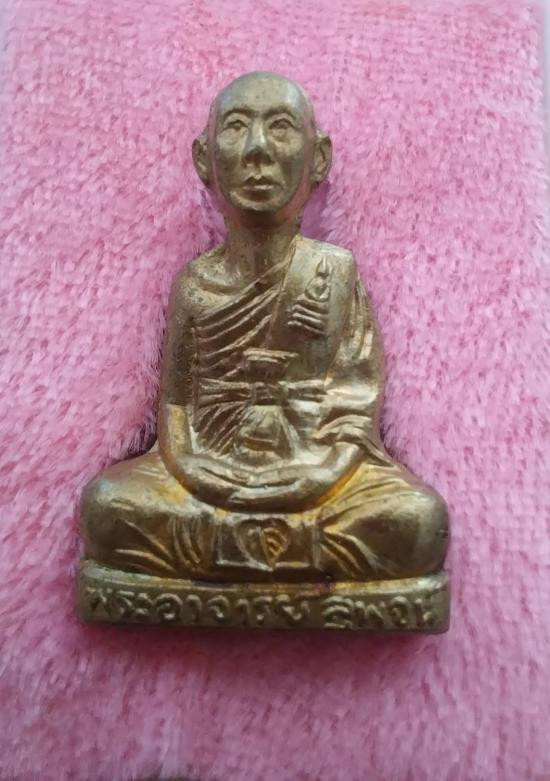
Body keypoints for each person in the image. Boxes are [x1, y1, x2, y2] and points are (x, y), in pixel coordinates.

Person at [82, 72, 449, 584]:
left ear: (318, 158)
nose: (258, 149)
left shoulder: (332, 273)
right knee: (108, 505)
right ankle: (289, 554)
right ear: (204, 159)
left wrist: (314, 478)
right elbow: (177, 413)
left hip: (319, 474)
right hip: (206, 477)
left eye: (280, 128)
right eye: (236, 127)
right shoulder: (195, 285)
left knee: (417, 521)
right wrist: (198, 473)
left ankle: (245, 552)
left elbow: (353, 407)